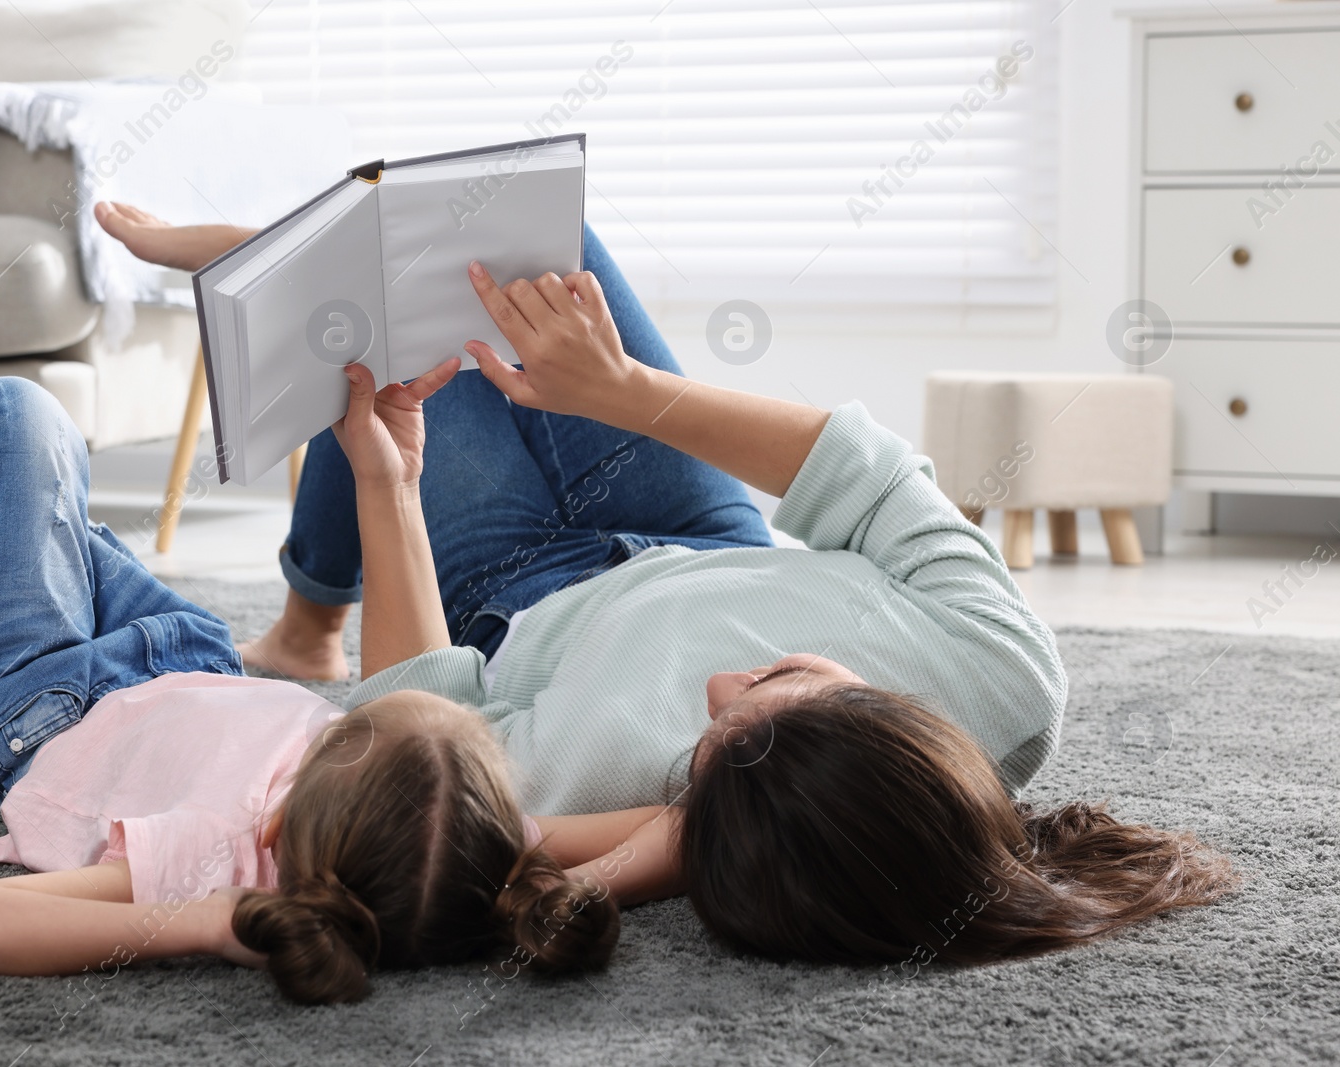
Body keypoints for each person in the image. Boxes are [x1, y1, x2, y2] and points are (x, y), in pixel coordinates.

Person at [96, 203, 1235, 964]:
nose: (715, 686)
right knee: (534, 236)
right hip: (700, 521)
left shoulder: (598, 788)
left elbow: (408, 710)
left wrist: (389, 482)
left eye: (704, 748)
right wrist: (622, 388)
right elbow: (868, 472)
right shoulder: (1002, 682)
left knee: (386, 363)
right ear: (891, 713)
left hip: (518, 587)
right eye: (779, 677)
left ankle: (311, 574)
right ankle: (304, 582)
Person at [0, 373, 632, 1004]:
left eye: (343, 726)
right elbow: (670, 824)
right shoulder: (466, 849)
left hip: (47, 707)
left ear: (275, 822)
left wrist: (210, 920)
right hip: (191, 655)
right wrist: (547, 895)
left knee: (14, 416)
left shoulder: (213, 856)